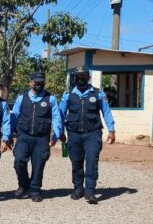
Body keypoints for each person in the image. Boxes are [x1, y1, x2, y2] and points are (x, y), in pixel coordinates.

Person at [59, 66, 116, 204]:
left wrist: (111, 130)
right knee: (76, 162)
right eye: (78, 77)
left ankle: (90, 192)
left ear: (88, 78)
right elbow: (60, 114)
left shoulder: (98, 93)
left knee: (91, 161)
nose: (80, 79)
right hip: (74, 133)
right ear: (74, 78)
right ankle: (78, 189)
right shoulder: (68, 94)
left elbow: (106, 112)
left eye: (83, 77)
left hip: (93, 133)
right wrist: (59, 131)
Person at [9, 71, 63, 202]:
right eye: (37, 82)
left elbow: (56, 118)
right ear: (30, 83)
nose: (39, 84)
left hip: (42, 137)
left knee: (38, 165)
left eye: (41, 82)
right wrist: (9, 135)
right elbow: (14, 116)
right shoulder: (21, 98)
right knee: (19, 161)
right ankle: (23, 185)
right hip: (23, 136)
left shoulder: (51, 99)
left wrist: (56, 134)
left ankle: (35, 190)